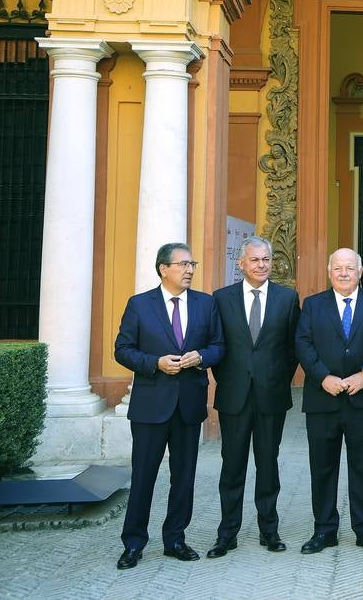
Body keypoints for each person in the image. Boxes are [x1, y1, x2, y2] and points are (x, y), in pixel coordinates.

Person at [113, 242, 224, 570]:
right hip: (150, 405)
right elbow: (122, 350)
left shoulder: (206, 304)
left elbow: (219, 346)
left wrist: (202, 357)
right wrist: (154, 363)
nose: (190, 270)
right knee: (144, 475)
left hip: (189, 405)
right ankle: (133, 543)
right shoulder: (140, 305)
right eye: (183, 265)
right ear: (164, 268)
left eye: (193, 264)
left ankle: (175, 539)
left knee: (184, 476)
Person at [295, 248, 363, 554]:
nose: (343, 273)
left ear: (360, 271)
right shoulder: (313, 305)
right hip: (323, 398)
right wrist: (323, 376)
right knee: (322, 467)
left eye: (349, 268)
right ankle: (324, 530)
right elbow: (303, 343)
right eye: (337, 267)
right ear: (329, 271)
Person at [207, 236, 300, 558]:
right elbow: (217, 349)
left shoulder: (288, 299)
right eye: (255, 260)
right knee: (231, 466)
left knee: (268, 465)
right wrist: (234, 380)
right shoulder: (221, 299)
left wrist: (274, 380)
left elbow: (292, 351)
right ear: (241, 263)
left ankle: (269, 531)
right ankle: (227, 534)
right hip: (233, 396)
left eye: (267, 260)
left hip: (271, 396)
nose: (262, 265)